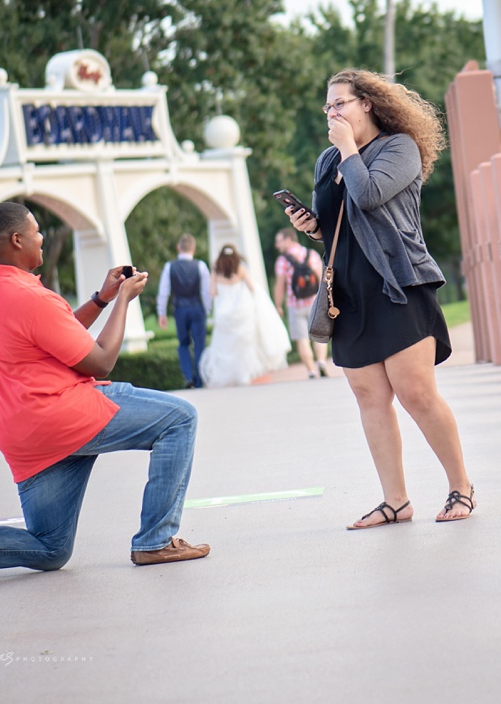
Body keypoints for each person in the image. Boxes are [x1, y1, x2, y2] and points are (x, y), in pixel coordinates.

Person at [0, 201, 208, 589]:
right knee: (180, 417)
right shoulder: (33, 298)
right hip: (68, 415)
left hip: (26, 437)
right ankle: (154, 540)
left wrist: (101, 298)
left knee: (52, 548)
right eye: (36, 232)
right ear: (17, 240)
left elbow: (55, 333)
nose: (42, 237)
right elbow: (100, 362)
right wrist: (123, 302)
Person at [286, 69, 475, 529]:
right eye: (327, 107)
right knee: (369, 397)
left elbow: (369, 195)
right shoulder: (326, 161)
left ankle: (461, 488)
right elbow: (339, 225)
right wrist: (313, 228)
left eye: (340, 104)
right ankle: (396, 501)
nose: (332, 113)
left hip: (398, 284)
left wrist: (349, 149)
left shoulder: (400, 148)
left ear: (366, 103)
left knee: (416, 393)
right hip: (348, 292)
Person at [199, 245, 290, 388]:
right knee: (244, 346)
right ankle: (244, 375)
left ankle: (228, 376)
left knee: (226, 346)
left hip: (224, 313)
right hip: (241, 311)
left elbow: (212, 291)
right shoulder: (240, 269)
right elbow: (251, 287)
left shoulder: (216, 270)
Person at [273, 227, 331, 379]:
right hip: (314, 302)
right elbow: (321, 278)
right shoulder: (311, 254)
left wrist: (278, 305)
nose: (277, 246)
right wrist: (324, 299)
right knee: (318, 335)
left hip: (295, 304)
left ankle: (311, 371)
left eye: (279, 242)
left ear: (288, 240)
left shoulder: (282, 261)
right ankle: (321, 363)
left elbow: (280, 285)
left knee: (302, 339)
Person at [156, 234, 212, 388]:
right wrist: (207, 309)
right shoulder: (200, 265)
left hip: (180, 308)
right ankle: (200, 380)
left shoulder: (169, 266)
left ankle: (188, 377)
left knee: (183, 344)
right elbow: (206, 291)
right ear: (193, 248)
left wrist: (161, 313)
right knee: (199, 344)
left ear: (178, 248)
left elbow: (164, 292)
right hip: (197, 308)